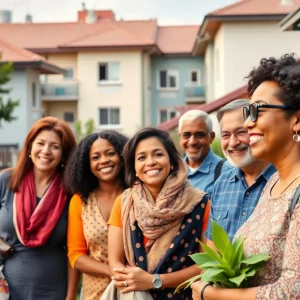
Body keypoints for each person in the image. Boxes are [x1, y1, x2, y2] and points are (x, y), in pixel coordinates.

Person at [192, 54, 300, 299]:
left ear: (297, 119)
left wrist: (212, 294)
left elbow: (292, 292)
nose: (248, 123)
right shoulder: (275, 183)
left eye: (257, 111)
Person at [107, 127, 210, 299]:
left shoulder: (200, 203)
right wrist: (133, 283)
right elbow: (115, 262)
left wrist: (154, 280)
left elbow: (207, 265)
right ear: (135, 167)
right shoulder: (124, 203)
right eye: (141, 157)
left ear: (172, 162)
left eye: (158, 154)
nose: (150, 162)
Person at [0, 117, 76, 300]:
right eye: (40, 143)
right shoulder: (6, 181)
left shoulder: (71, 192)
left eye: (55, 146)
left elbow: (74, 251)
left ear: (64, 154)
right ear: (30, 147)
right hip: (6, 290)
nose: (46, 151)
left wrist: (71, 296)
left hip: (54, 292)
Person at [65, 131, 128, 300]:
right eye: (95, 157)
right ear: (88, 165)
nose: (104, 161)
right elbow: (76, 255)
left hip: (134, 290)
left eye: (110, 153)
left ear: (122, 157)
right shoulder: (80, 201)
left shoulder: (137, 195)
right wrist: (112, 270)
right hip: (95, 294)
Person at [206, 99, 276, 242]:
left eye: (241, 132)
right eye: (225, 135)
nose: (233, 143)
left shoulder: (283, 180)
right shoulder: (222, 184)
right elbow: (212, 249)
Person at [178, 110, 231, 197]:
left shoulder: (227, 172)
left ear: (212, 137)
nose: (192, 142)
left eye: (199, 135)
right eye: (186, 135)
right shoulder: (173, 172)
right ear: (180, 137)